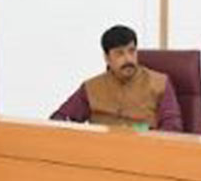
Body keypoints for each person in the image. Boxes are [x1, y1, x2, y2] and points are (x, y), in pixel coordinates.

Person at [50, 24, 183, 132]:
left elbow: (173, 128)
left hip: (145, 151)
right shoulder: (91, 87)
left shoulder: (160, 83)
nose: (128, 59)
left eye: (131, 51)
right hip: (101, 152)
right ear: (107, 58)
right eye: (120, 53)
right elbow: (60, 118)